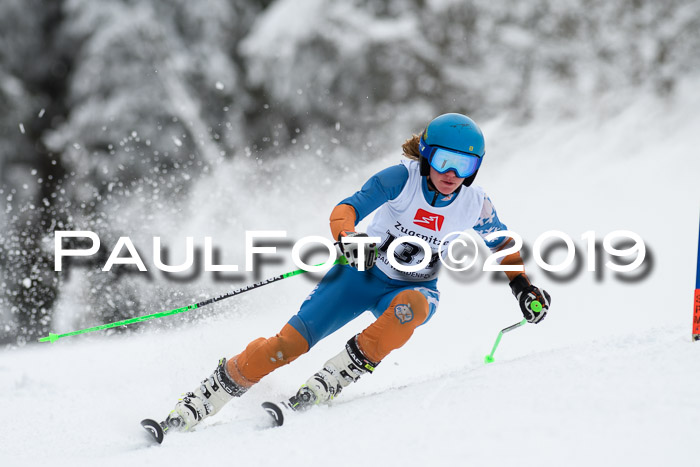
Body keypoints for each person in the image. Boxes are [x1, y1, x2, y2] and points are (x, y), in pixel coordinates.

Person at [165, 113, 551, 431]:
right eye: (443, 161)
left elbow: (502, 244)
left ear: (474, 169)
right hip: (358, 275)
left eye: (463, 165)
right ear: (427, 156)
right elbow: (345, 209)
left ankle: (334, 377)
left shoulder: (475, 204)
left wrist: (522, 287)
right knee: (288, 346)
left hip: (413, 287)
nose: (451, 173)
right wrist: (348, 239)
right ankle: (207, 396)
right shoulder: (401, 180)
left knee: (410, 308)